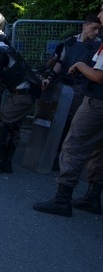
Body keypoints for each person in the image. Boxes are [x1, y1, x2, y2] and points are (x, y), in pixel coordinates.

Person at [34, 5, 103, 217]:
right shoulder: (72, 42)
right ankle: (92, 197)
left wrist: (81, 65)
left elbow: (99, 76)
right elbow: (59, 62)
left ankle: (62, 199)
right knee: (99, 149)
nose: (100, 15)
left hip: (96, 101)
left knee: (73, 145)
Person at [42, 13, 102, 170]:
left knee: (72, 123)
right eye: (94, 28)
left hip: (81, 87)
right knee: (57, 120)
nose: (96, 32)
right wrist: (50, 78)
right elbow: (60, 63)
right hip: (64, 85)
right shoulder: (69, 42)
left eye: (99, 29)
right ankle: (54, 154)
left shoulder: (98, 46)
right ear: (85, 25)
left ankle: (64, 159)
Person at [0, 28, 41, 174]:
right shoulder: (3, 49)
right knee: (13, 127)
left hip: (22, 94)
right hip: (22, 93)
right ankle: (6, 163)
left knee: (4, 125)